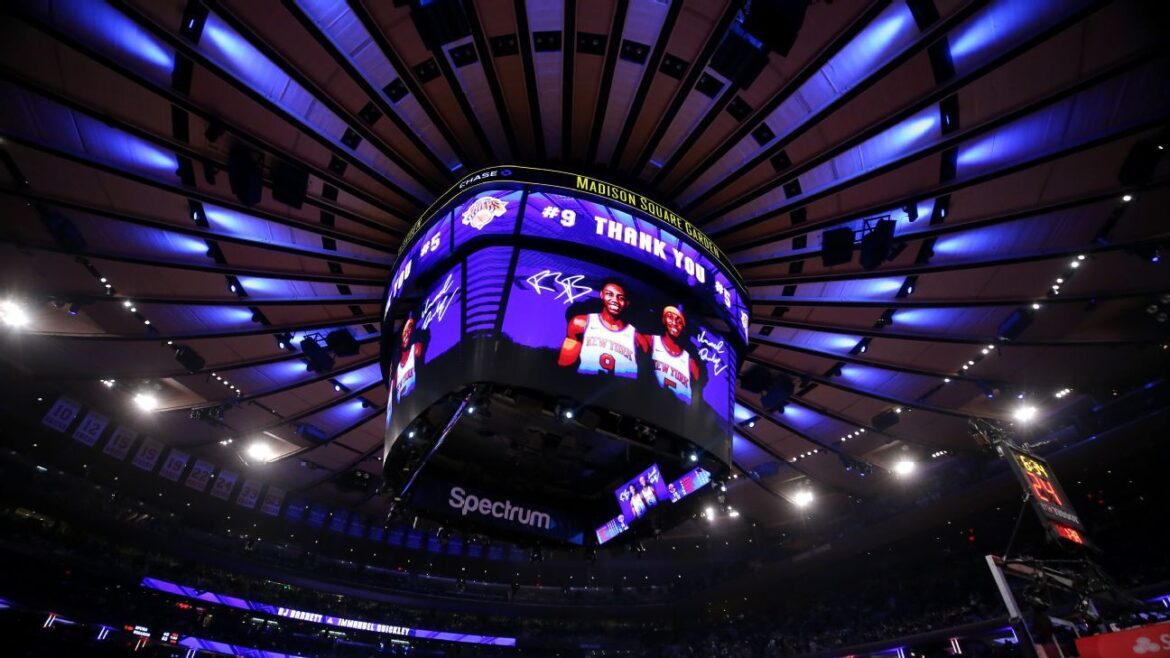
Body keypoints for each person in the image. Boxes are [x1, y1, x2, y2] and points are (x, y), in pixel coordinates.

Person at [558, 280, 642, 379]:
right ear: (602, 294)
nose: (615, 300)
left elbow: (645, 378)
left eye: (621, 298)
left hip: (622, 388)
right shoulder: (580, 323)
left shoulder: (638, 337)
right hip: (585, 385)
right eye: (609, 294)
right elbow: (564, 367)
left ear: (627, 303)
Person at [648, 306, 702, 404]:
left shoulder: (691, 363)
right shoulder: (650, 341)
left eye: (679, 321)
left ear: (684, 328)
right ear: (664, 319)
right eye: (670, 317)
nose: (674, 323)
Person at [393, 316, 425, 403]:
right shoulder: (397, 370)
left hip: (418, 399)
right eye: (406, 330)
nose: (407, 332)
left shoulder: (415, 349)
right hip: (405, 408)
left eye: (410, 328)